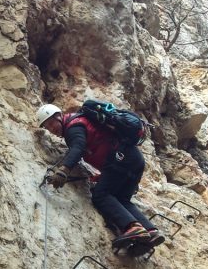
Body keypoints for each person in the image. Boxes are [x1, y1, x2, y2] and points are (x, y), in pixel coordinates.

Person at [36, 103, 165, 249]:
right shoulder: (81, 121)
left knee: (101, 195)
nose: (51, 129)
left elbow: (77, 148)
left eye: (51, 123)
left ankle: (133, 227)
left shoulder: (73, 127)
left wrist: (63, 170)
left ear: (59, 116)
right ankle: (150, 230)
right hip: (133, 159)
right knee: (121, 199)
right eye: (47, 127)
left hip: (119, 160)